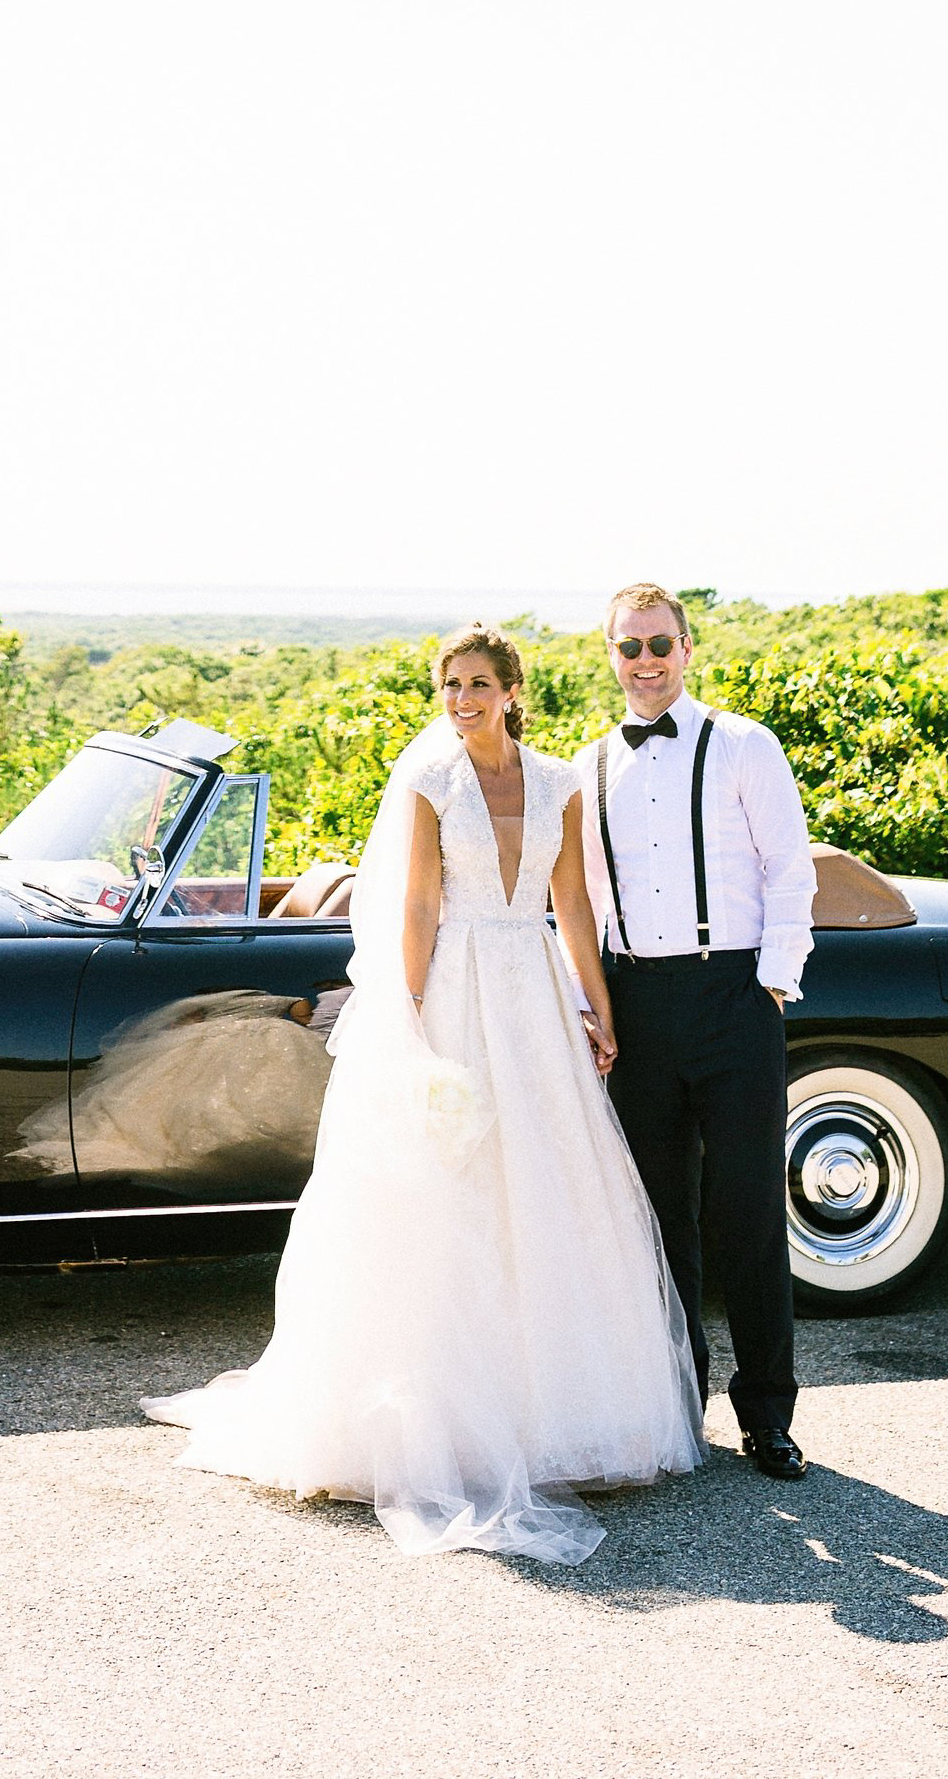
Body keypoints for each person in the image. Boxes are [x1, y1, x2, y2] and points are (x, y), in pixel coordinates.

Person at [143, 624, 703, 1563]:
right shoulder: (430, 782)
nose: (463, 700)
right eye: (451, 686)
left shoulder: (560, 782)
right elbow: (415, 906)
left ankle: (558, 1415)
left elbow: (574, 906)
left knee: (550, 1188)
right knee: (449, 1192)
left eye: (480, 684)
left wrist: (597, 1010)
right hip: (453, 991)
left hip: (533, 997)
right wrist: (404, 1012)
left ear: (512, 690)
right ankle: (434, 1416)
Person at [572, 582, 817, 1480]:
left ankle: (769, 1416)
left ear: (687, 647)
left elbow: (789, 868)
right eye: (629, 647)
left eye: (659, 644)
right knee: (658, 1216)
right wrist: (591, 1005)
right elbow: (585, 902)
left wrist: (774, 983)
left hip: (734, 998)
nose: (646, 662)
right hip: (638, 1004)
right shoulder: (590, 765)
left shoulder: (746, 745)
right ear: (610, 654)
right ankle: (681, 1405)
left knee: (748, 1212)